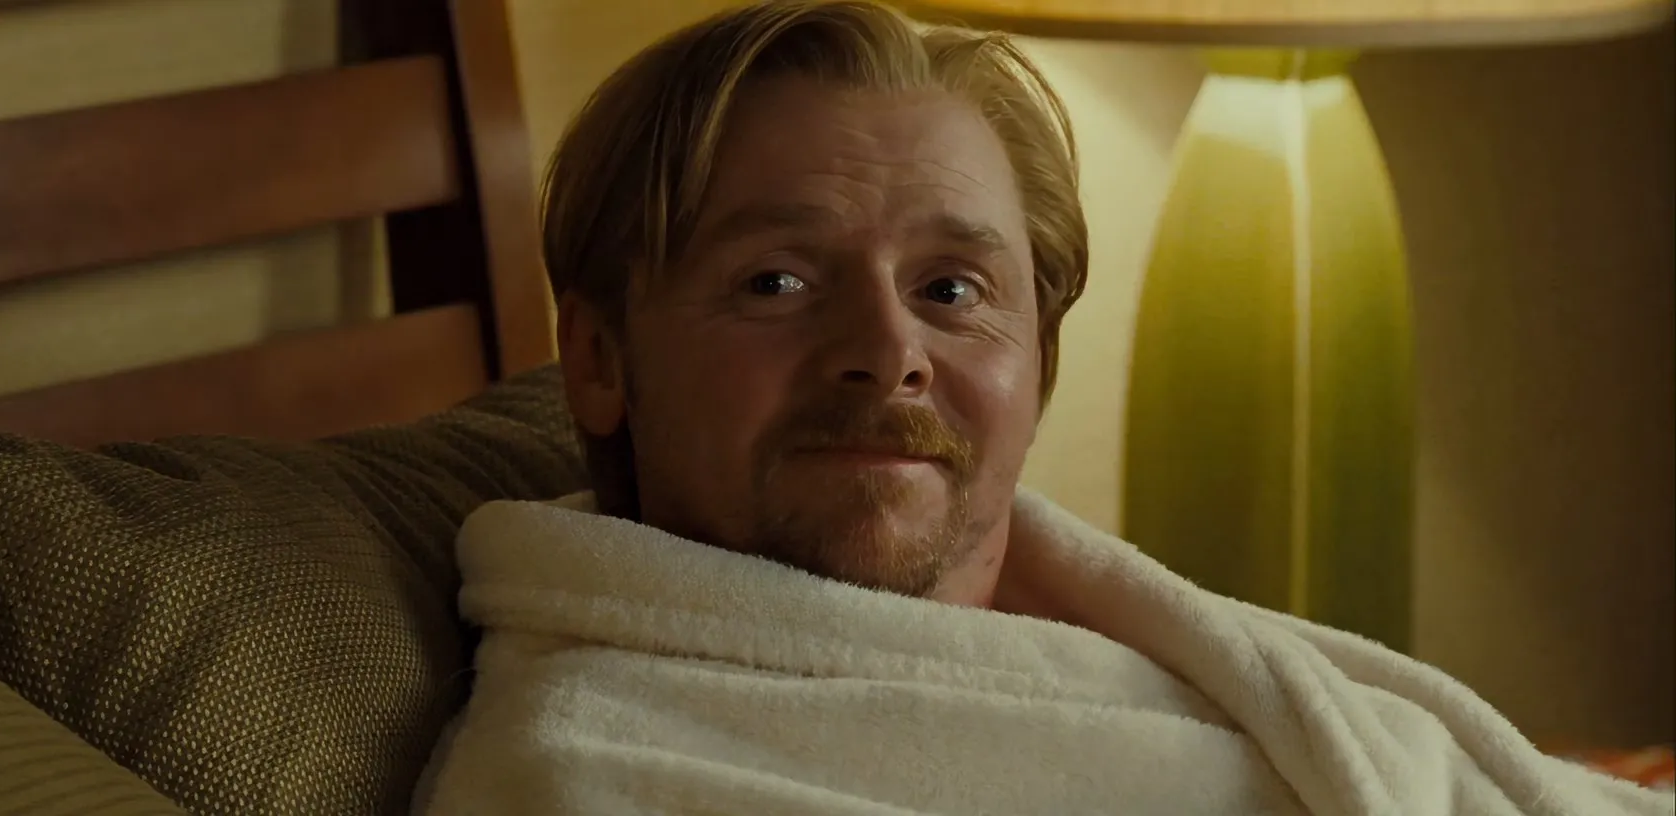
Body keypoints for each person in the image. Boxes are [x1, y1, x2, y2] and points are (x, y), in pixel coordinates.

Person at [413, 2, 1671, 813]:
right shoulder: (593, 774)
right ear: (599, 361)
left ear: (1040, 365)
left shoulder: (1170, 667)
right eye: (776, 281)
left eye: (951, 290)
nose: (887, 353)